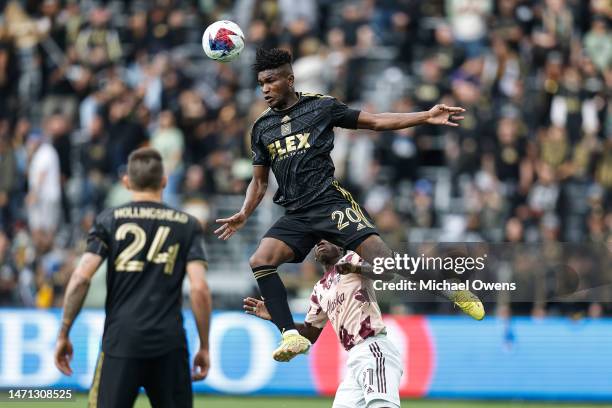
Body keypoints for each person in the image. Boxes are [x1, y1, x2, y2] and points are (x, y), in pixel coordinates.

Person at [215, 48, 484, 362]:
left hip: (330, 204)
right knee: (261, 260)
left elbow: (376, 121)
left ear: (290, 79)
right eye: (261, 83)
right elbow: (259, 182)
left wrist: (424, 116)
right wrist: (244, 214)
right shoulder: (262, 128)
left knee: (385, 266)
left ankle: (448, 287)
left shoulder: (321, 107)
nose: (265, 89)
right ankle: (290, 335)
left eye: (271, 81)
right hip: (296, 214)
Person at [54, 147, 211, 408]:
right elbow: (199, 289)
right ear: (164, 181)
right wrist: (204, 345)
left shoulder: (109, 220)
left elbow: (81, 277)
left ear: (126, 182)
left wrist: (64, 332)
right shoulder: (187, 225)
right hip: (169, 342)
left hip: (120, 340)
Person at [244, 240, 402, 408]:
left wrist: (355, 268)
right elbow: (309, 334)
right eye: (317, 241)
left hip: (373, 347)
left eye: (327, 238)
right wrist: (276, 317)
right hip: (354, 358)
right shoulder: (320, 289)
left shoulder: (352, 259)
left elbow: (387, 274)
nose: (320, 241)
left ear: (340, 246)